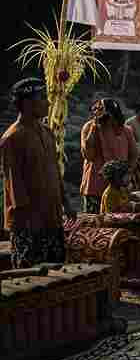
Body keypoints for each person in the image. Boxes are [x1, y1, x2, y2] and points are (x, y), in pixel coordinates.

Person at [2, 78, 74, 267]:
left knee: (57, 272)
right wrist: (29, 223)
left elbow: (55, 172)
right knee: (30, 276)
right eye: (41, 98)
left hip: (53, 217)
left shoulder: (47, 132)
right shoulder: (13, 137)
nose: (48, 102)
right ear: (26, 104)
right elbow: (14, 184)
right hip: (29, 223)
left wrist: (66, 202)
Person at [80, 98, 139, 213]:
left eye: (112, 115)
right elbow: (88, 155)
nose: (109, 119)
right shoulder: (89, 127)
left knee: (119, 220)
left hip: (119, 187)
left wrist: (128, 173)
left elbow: (134, 154)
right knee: (95, 223)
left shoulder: (125, 130)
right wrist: (94, 126)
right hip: (95, 185)